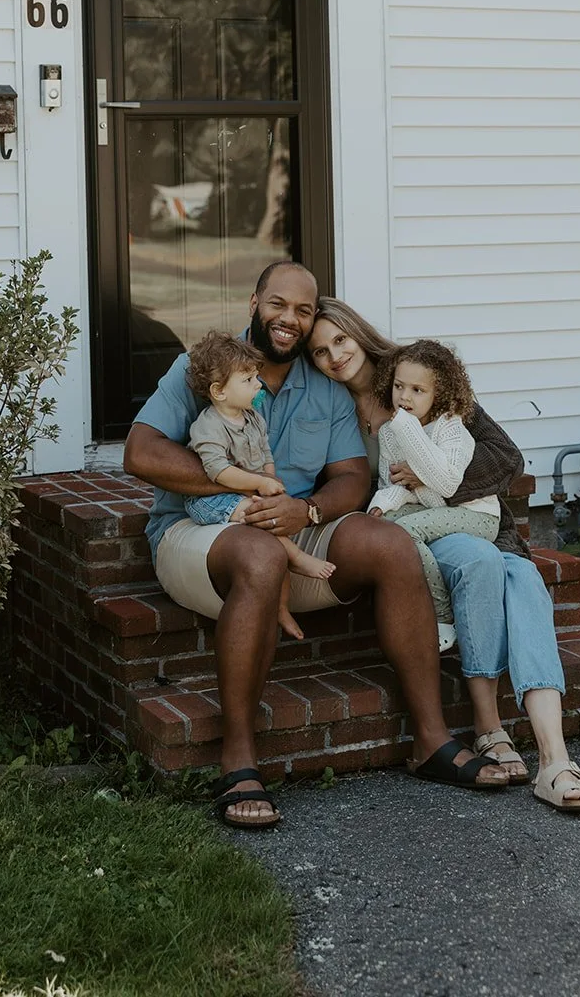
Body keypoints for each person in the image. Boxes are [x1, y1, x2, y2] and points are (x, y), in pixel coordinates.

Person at [123, 261, 509, 830]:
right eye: (279, 304)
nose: (290, 319)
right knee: (260, 554)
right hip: (202, 533)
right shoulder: (199, 367)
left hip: (298, 530)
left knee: (390, 543)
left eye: (304, 311)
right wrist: (251, 490)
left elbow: (352, 478)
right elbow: (141, 453)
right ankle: (239, 762)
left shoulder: (323, 389)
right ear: (253, 303)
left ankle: (429, 740)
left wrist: (305, 510)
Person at [309, 297, 580, 813]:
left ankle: (555, 759)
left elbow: (504, 457)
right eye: (319, 351)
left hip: (470, 522)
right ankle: (489, 728)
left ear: (358, 332)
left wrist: (431, 476)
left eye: (340, 339)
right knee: (479, 564)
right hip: (407, 536)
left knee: (526, 580)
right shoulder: (324, 407)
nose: (334, 355)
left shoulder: (421, 377)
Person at [183, 329, 335, 641]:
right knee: (263, 518)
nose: (258, 385)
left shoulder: (252, 416)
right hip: (210, 500)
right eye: (248, 380)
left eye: (256, 377)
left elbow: (264, 450)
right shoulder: (209, 425)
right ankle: (298, 558)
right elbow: (218, 472)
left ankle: (281, 604)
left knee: (270, 519)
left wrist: (270, 474)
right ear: (219, 391)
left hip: (247, 490)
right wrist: (259, 484)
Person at [367, 338, 500, 653]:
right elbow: (394, 484)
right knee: (383, 526)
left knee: (405, 531)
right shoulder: (390, 432)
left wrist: (406, 427)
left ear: (438, 394)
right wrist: (381, 505)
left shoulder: (450, 428)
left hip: (476, 515)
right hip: (433, 509)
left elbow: (447, 485)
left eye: (417, 390)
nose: (404, 397)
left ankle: (441, 615)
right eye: (399, 386)